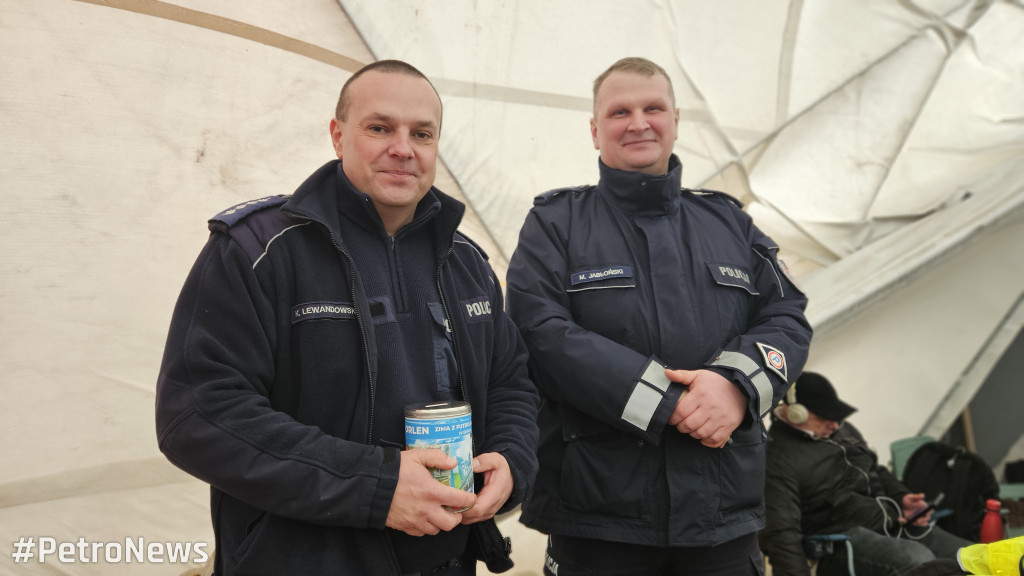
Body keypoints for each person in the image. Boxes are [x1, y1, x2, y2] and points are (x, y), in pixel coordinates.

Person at [155, 59, 539, 575]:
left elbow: (511, 379)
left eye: (421, 133)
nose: (402, 148)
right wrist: (375, 487)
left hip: (444, 557)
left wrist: (512, 459)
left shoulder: (467, 262)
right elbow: (199, 414)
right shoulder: (257, 251)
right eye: (380, 128)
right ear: (337, 136)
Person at [504, 56, 813, 575]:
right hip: (598, 519)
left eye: (653, 108)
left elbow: (789, 315)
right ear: (595, 129)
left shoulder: (730, 222)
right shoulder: (556, 224)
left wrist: (734, 385)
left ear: (675, 120)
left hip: (723, 518)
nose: (639, 122)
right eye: (620, 111)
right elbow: (540, 332)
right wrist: (667, 403)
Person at [761, 371, 973, 576]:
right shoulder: (778, 459)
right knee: (917, 561)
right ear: (796, 413)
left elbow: (876, 470)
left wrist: (901, 498)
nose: (834, 424)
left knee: (973, 557)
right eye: (825, 417)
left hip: (888, 524)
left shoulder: (842, 431)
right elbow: (781, 533)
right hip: (838, 543)